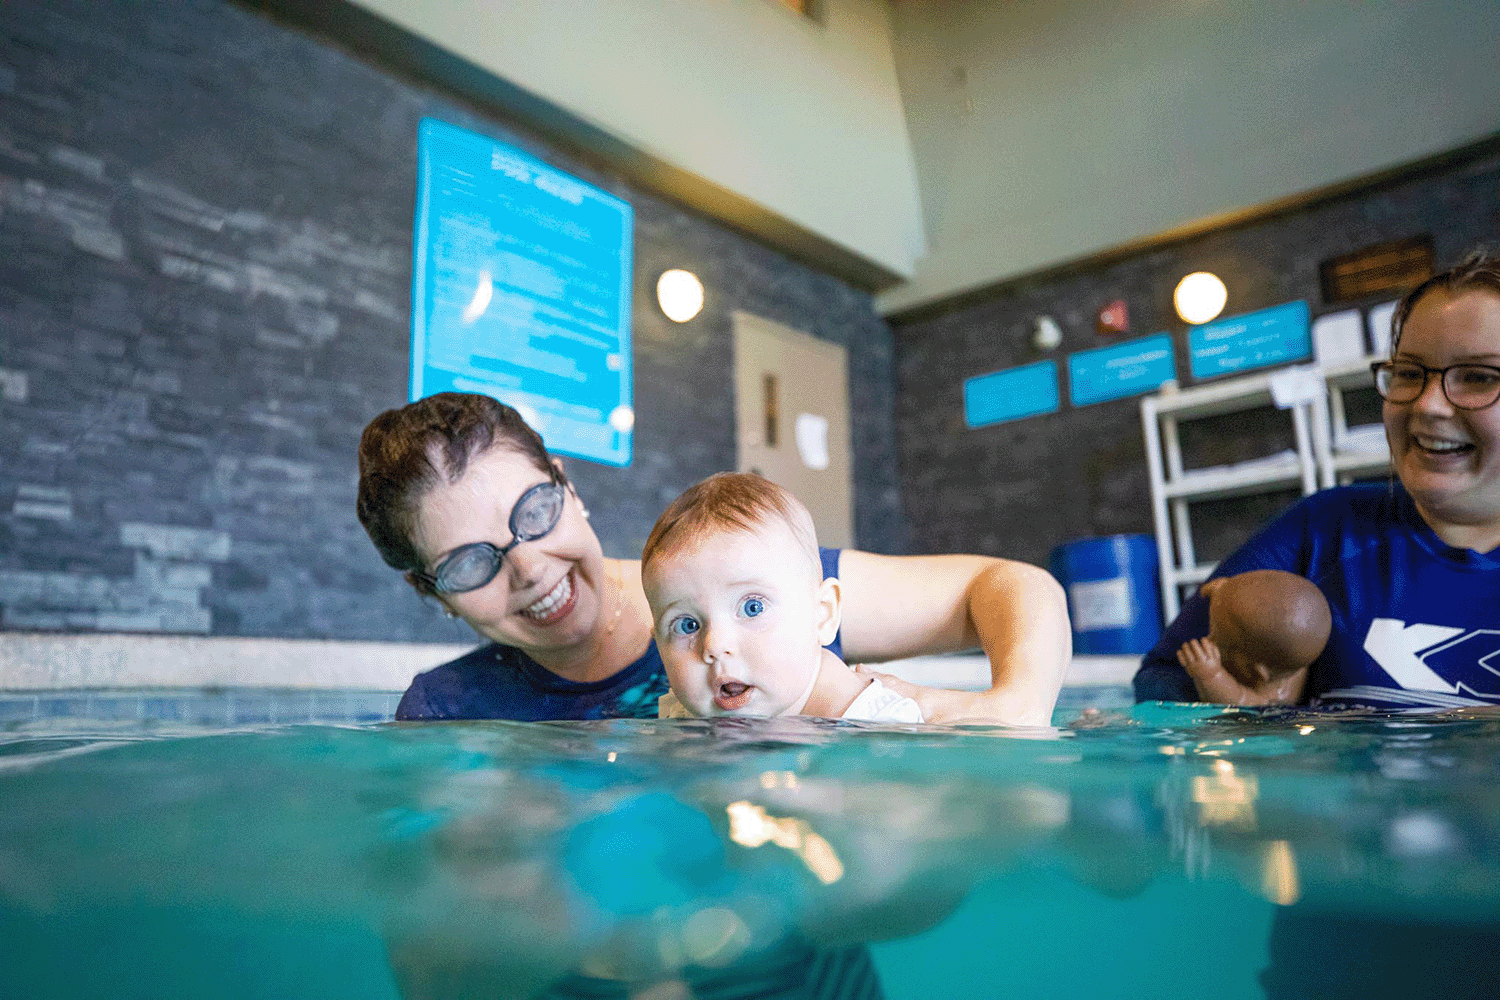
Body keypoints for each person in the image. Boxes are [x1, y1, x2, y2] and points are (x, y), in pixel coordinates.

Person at [356, 392, 1071, 725]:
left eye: (534, 512)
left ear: (568, 489)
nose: (530, 567)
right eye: (469, 563)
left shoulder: (757, 587)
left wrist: (1018, 706)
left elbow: (1005, 583)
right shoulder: (451, 714)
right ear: (431, 591)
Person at [1135, 249, 1500, 708]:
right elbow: (1161, 683)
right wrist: (1257, 713)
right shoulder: (1324, 533)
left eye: (1478, 377)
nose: (1427, 405)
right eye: (1409, 373)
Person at [642, 472, 923, 723]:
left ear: (822, 615)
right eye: (687, 625)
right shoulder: (681, 712)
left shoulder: (876, 724)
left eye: (752, 608)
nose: (715, 645)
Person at [1174, 570, 1332, 706]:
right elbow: (1266, 599)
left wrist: (1210, 674)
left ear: (1257, 673)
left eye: (1220, 644)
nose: (1208, 641)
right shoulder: (1293, 649)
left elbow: (1237, 701)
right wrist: (1225, 594)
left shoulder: (1271, 700)